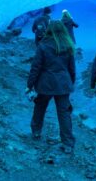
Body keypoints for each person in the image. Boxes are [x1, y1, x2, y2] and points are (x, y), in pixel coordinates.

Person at [26, 20, 76, 154]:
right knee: (64, 113)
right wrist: (71, 82)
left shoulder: (43, 46)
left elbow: (35, 67)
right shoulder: (68, 45)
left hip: (45, 84)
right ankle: (68, 143)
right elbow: (72, 69)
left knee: (40, 107)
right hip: (63, 84)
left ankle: (36, 132)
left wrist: (29, 85)